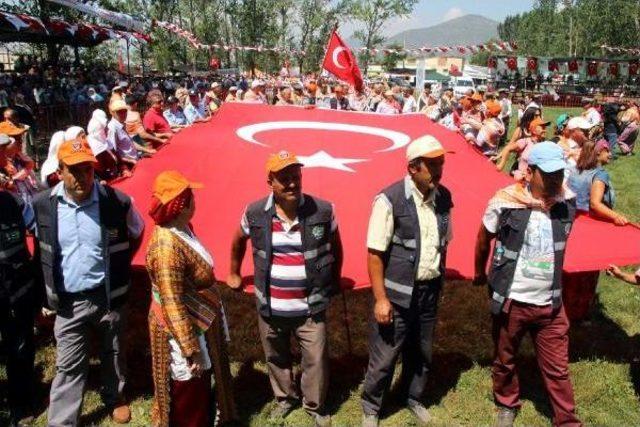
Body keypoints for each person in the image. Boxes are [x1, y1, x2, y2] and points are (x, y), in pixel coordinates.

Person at [32, 137, 145, 426]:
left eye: (88, 169)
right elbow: (41, 252)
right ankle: (62, 420)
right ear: (60, 171)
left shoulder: (116, 201)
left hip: (108, 296)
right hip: (69, 302)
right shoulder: (43, 205)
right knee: (68, 364)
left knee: (114, 351)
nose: (83, 176)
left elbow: (137, 230)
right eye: (75, 170)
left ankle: (114, 396)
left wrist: (119, 264)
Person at [227, 150, 342, 426]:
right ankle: (285, 398)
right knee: (276, 357)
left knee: (315, 358)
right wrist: (233, 272)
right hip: (270, 305)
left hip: (310, 306)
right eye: (284, 178)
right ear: (270, 182)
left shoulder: (323, 210)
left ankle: (314, 405)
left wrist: (333, 280)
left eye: (296, 176)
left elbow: (336, 247)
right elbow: (237, 240)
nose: (292, 183)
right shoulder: (254, 212)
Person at [473, 142, 580, 427]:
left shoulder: (567, 203)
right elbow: (484, 238)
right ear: (529, 172)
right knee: (505, 357)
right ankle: (507, 403)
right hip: (513, 299)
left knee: (558, 368)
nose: (556, 180)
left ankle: (567, 419)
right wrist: (479, 272)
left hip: (550, 303)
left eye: (559, 173)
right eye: (549, 174)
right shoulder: (505, 202)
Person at [361, 136, 453, 427]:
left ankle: (412, 397)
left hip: (428, 291)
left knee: (421, 350)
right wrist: (381, 299)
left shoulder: (443, 197)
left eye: (441, 163)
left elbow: (443, 242)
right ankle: (371, 409)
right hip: (397, 296)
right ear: (413, 168)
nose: (439, 169)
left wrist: (439, 280)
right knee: (385, 355)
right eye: (432, 164)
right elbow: (375, 253)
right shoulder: (389, 199)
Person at [146, 171, 236, 427]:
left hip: (198, 318)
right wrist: (190, 349)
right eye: (190, 196)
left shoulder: (182, 229)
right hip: (181, 327)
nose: (195, 199)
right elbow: (172, 303)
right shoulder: (167, 248)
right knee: (189, 382)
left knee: (203, 380)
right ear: (181, 206)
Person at [0, 182, 38, 427]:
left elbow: (38, 228)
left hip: (17, 292)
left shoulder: (13, 202)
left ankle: (21, 403)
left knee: (20, 347)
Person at [567, 139, 627, 225]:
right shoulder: (600, 174)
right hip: (590, 219)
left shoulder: (574, 169)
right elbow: (595, 204)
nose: (610, 154)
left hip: (572, 216)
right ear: (598, 152)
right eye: (607, 151)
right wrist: (617, 216)